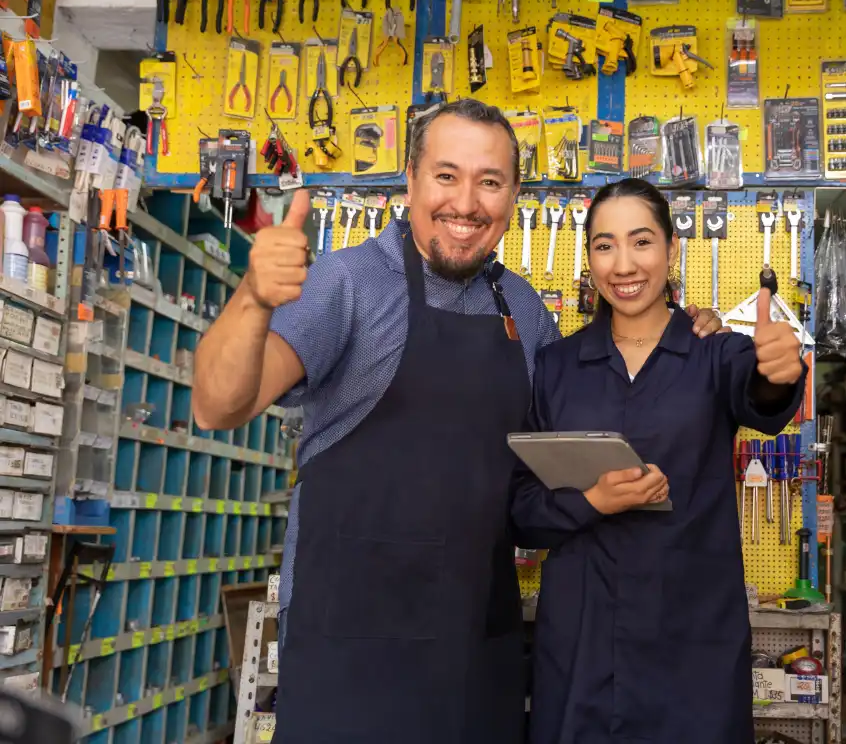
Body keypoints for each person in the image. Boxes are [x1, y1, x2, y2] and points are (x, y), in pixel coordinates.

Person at [190, 100, 723, 744]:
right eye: (446, 175)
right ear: (411, 179)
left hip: (476, 653)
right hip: (348, 653)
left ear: (514, 196)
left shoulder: (524, 312)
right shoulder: (347, 283)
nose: (465, 203)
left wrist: (686, 329)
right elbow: (218, 406)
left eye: (489, 181)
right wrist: (252, 298)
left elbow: (587, 424)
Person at [509, 178, 808, 744]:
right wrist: (591, 502)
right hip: (582, 648)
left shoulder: (716, 352)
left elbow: (763, 399)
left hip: (692, 646)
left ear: (671, 248)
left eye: (642, 241)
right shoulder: (555, 367)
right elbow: (521, 509)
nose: (624, 264)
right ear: (588, 257)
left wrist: (779, 372)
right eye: (605, 245)